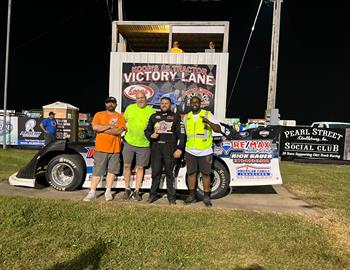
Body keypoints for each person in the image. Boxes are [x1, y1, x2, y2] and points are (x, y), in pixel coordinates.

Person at [83, 97, 126, 201]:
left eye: (112, 103)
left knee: (112, 171)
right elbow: (95, 128)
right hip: (101, 148)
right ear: (105, 104)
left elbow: (118, 131)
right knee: (97, 171)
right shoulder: (99, 114)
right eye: (108, 103)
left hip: (115, 149)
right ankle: (92, 192)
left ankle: (108, 191)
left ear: (116, 104)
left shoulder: (119, 116)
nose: (110, 104)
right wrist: (109, 126)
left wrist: (102, 129)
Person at [144, 96, 185, 205]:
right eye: (162, 103)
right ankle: (152, 195)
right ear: (160, 104)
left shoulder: (176, 117)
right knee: (155, 173)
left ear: (170, 105)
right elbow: (147, 131)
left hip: (170, 149)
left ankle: (171, 198)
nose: (164, 105)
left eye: (166, 103)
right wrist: (151, 135)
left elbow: (182, 135)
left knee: (169, 174)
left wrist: (179, 149)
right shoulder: (153, 117)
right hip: (156, 148)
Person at [183, 96, 221, 207]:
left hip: (205, 151)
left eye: (196, 102)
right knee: (191, 174)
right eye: (192, 102)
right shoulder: (186, 117)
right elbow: (185, 134)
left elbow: (218, 129)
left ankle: (206, 197)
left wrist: (208, 122)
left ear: (200, 103)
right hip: (190, 150)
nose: (194, 104)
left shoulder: (208, 114)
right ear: (190, 104)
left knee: (205, 174)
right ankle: (191, 196)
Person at [122, 91, 156, 201]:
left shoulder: (151, 111)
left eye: (142, 98)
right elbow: (124, 121)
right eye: (138, 98)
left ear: (146, 99)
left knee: (140, 168)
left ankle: (137, 191)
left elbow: (156, 126)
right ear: (135, 99)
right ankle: (127, 189)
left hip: (144, 144)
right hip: (129, 143)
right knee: (127, 166)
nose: (140, 100)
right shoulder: (130, 108)